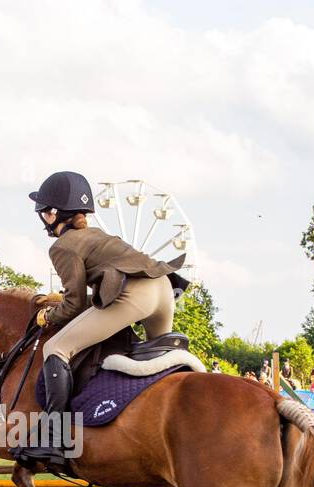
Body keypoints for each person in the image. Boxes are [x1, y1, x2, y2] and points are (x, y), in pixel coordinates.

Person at [14, 170, 187, 465]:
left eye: (44, 212)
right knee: (160, 362)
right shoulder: (101, 236)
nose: (43, 218)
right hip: (163, 288)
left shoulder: (62, 247)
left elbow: (74, 304)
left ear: (54, 213)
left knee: (55, 348)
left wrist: (47, 316)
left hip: (135, 296)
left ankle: (55, 440)